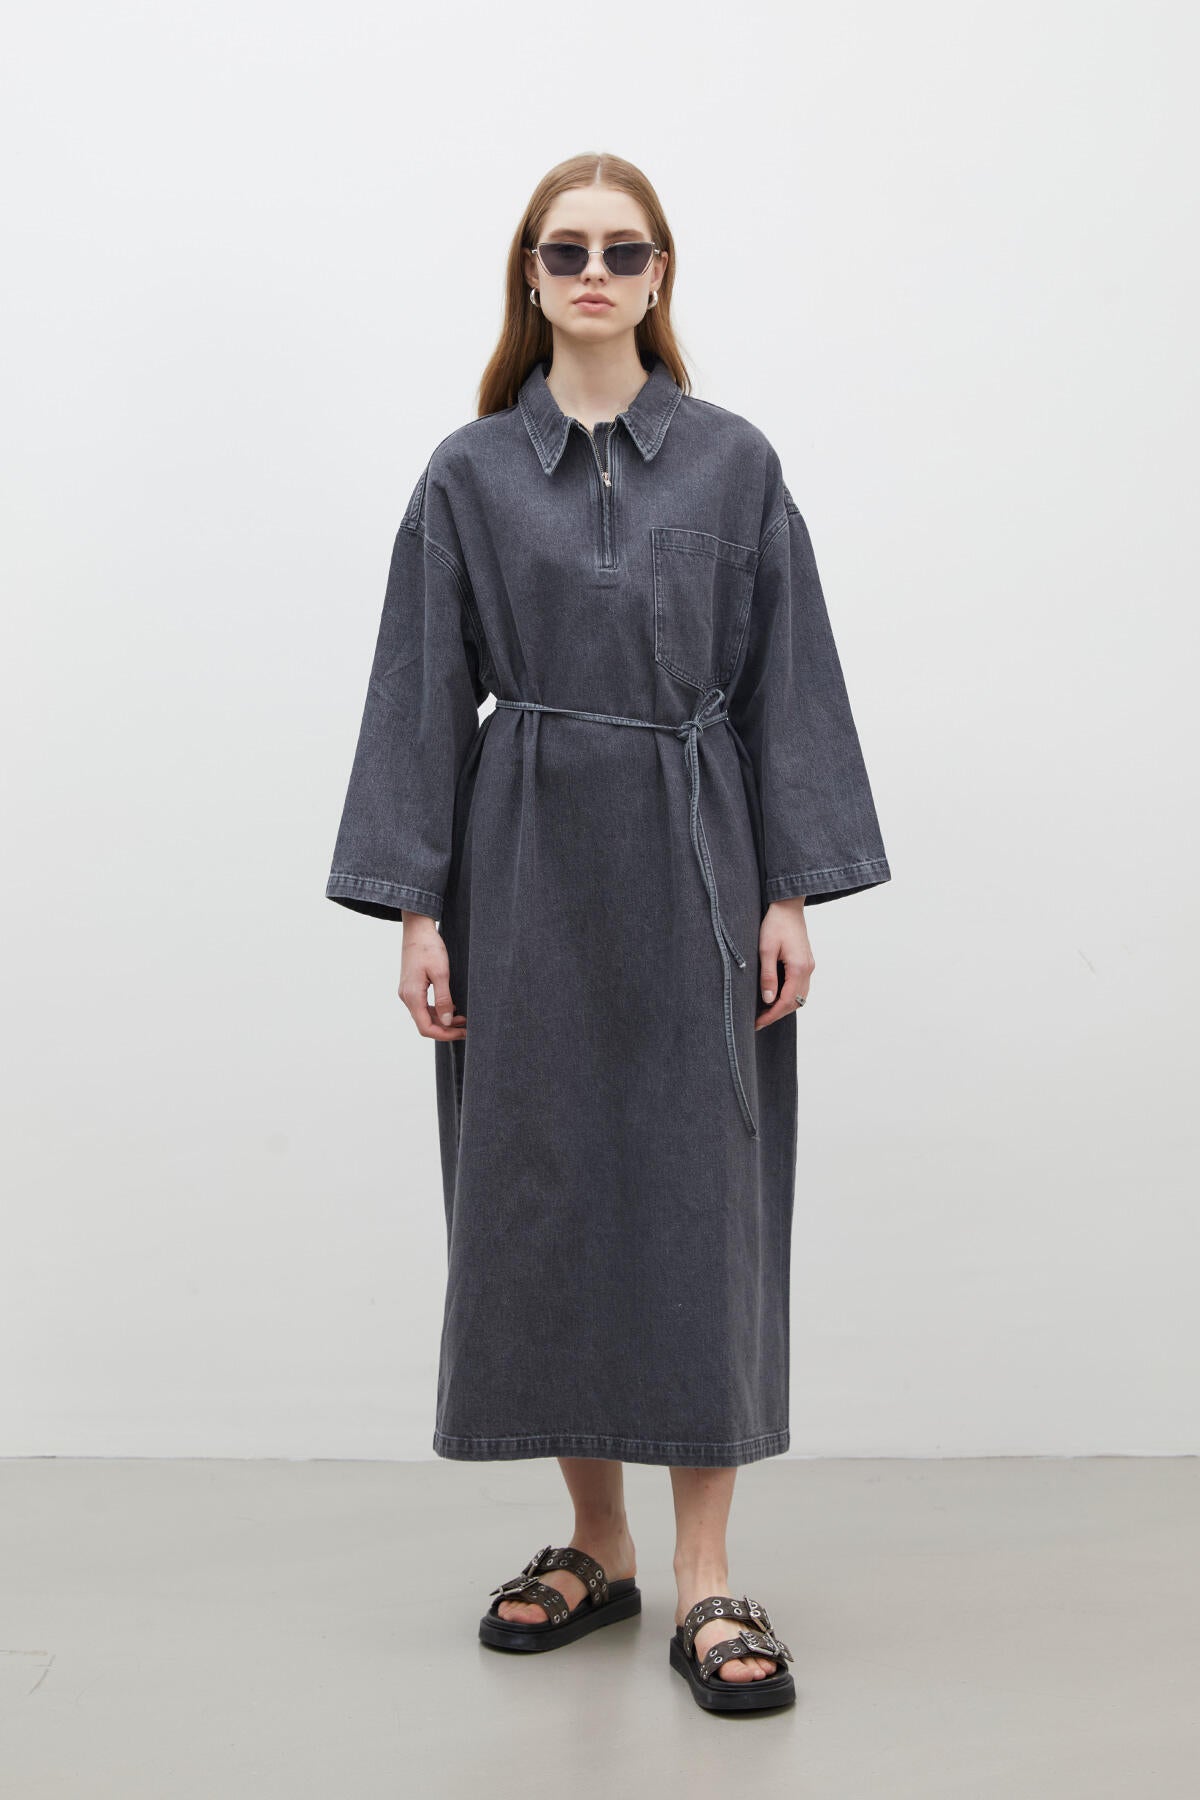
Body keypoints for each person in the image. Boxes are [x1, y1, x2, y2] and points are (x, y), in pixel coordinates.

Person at [325, 152, 892, 1713]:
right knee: (544, 1183)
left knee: (704, 1193)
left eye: (622, 249)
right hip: (520, 871)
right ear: (529, 271)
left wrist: (791, 889)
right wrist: (416, 906)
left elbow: (789, 679)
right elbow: (418, 689)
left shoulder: (732, 465)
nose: (593, 272)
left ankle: (708, 1575)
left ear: (659, 274)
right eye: (566, 248)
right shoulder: (467, 475)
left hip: (699, 860)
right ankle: (598, 1542)